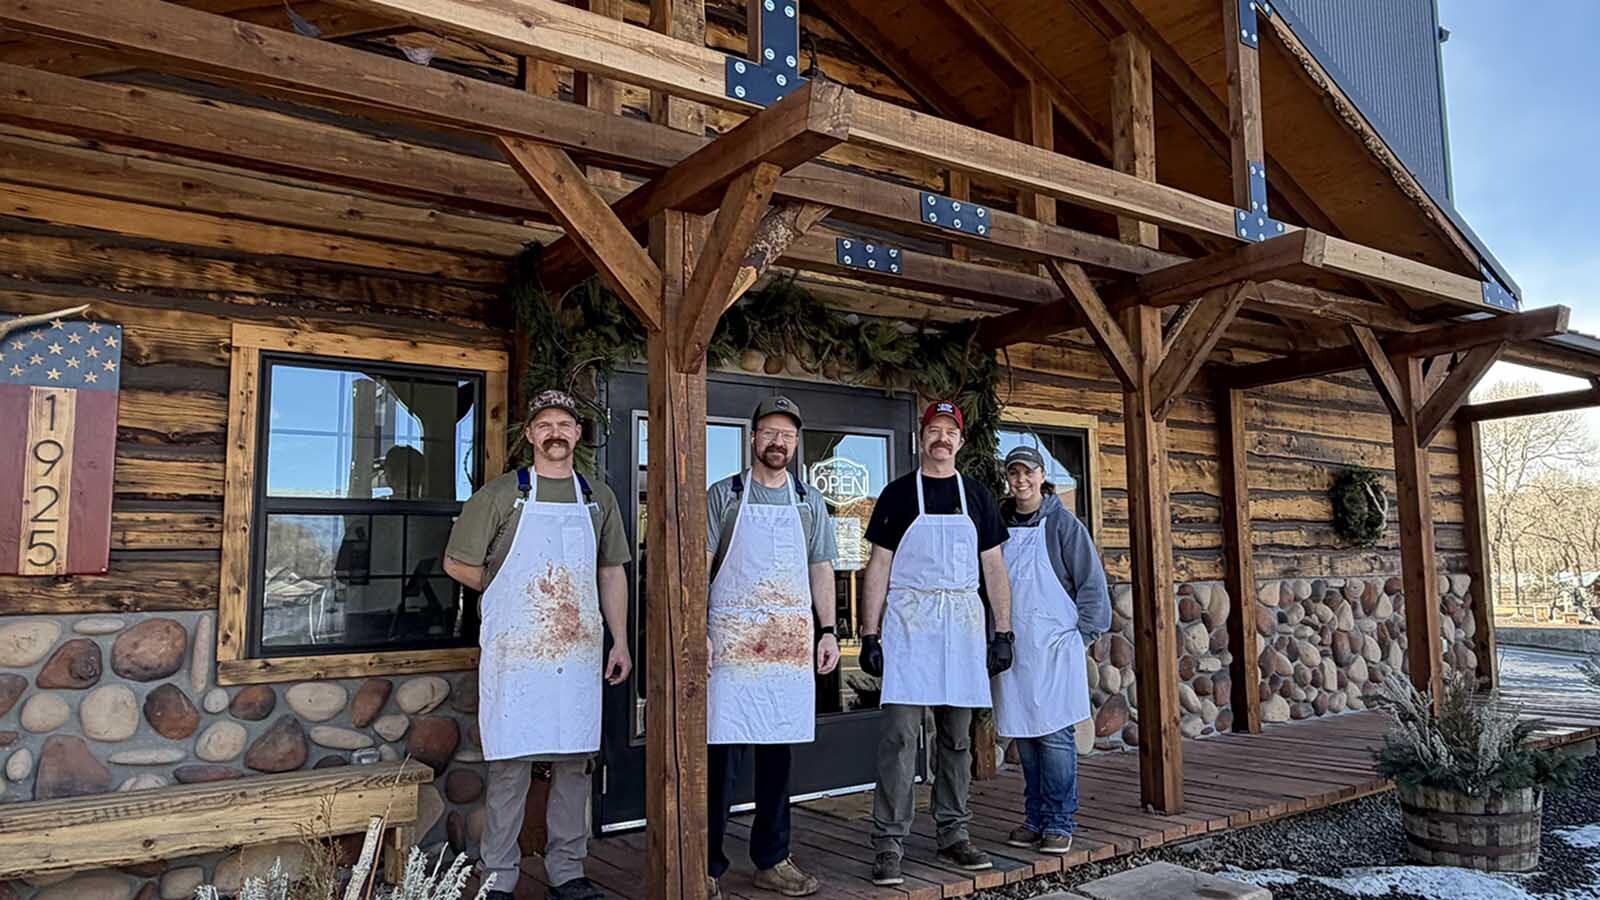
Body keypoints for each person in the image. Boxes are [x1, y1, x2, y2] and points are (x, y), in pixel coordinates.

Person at [443, 389, 632, 900]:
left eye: (564, 424)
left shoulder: (598, 498)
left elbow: (611, 572)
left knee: (575, 764)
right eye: (545, 423)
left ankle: (567, 870)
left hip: (577, 652)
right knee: (510, 765)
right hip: (516, 652)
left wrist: (621, 641)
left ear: (577, 434)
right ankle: (499, 877)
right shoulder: (501, 495)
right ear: (530, 434)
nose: (555, 432)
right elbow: (456, 562)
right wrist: (514, 588)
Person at [858, 400, 1014, 887]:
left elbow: (994, 568)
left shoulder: (979, 497)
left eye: (950, 431)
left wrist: (1003, 631)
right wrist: (869, 632)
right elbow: (878, 567)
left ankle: (954, 831)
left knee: (957, 738)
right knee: (901, 737)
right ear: (921, 437)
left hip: (963, 625)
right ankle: (888, 842)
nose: (941, 438)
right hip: (910, 624)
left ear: (960, 442)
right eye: (934, 430)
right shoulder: (898, 495)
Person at [704, 396, 840, 898]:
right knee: (721, 762)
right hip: (732, 647)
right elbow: (699, 563)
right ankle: (707, 865)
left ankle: (773, 858)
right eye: (769, 432)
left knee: (777, 759)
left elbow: (821, 567)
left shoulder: (809, 503)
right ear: (753, 438)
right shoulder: (725, 496)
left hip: (787, 648)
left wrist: (828, 630)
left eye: (787, 435)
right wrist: (695, 628)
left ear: (796, 443)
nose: (778, 442)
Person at [992, 445, 1111, 856]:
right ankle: (1035, 818)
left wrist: (1083, 636)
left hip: (1057, 646)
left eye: (1028, 472)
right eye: (1014, 473)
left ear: (1042, 476)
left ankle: (1060, 821)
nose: (1021, 480)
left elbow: (1092, 586)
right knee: (1025, 736)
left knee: (1056, 738)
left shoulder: (1064, 525)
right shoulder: (1001, 523)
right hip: (1016, 647)